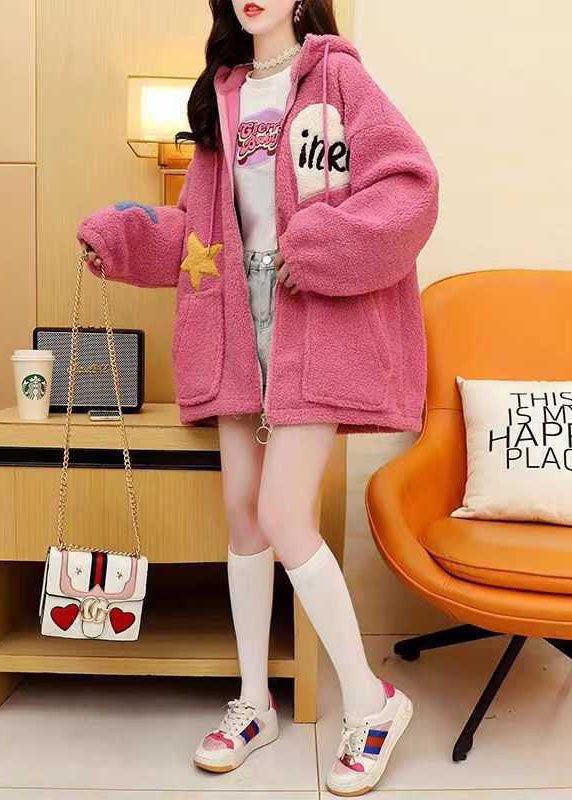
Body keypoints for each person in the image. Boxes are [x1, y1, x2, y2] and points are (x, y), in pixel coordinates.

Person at [78, 0, 439, 794]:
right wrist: (124, 240)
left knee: (283, 515)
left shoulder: (338, 78)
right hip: (237, 327)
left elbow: (408, 188)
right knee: (244, 517)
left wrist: (325, 244)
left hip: (314, 323)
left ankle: (372, 703)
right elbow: (198, 234)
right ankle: (253, 702)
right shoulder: (224, 91)